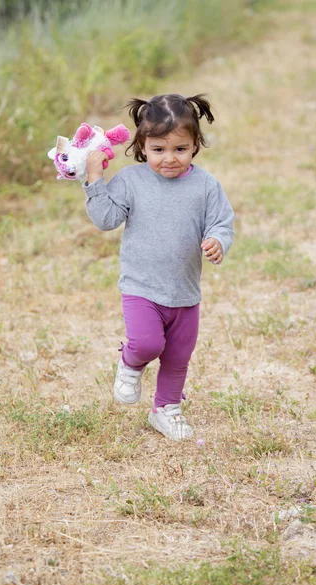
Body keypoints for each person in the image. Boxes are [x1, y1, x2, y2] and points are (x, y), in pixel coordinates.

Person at [84, 93, 234, 441]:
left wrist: (217, 240)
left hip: (185, 292)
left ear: (195, 144)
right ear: (142, 146)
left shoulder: (206, 186)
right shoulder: (131, 182)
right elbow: (107, 220)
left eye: (180, 149)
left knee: (179, 355)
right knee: (148, 343)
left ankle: (165, 409)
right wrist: (94, 181)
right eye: (158, 150)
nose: (169, 159)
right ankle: (131, 362)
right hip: (141, 287)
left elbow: (221, 222)